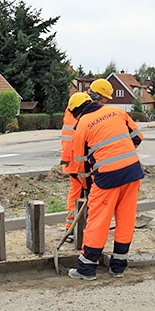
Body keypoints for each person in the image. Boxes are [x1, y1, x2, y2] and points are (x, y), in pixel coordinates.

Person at [67, 92, 144, 280]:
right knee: (126, 219)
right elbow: (138, 137)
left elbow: (82, 166)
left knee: (98, 221)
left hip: (107, 177)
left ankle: (86, 269)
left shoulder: (81, 127)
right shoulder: (116, 111)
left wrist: (88, 187)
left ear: (77, 112)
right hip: (133, 171)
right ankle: (118, 267)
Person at [61, 92, 91, 233]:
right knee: (80, 193)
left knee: (76, 192)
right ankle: (75, 228)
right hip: (77, 161)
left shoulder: (72, 108)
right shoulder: (80, 112)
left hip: (71, 160)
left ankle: (73, 226)